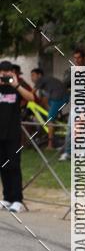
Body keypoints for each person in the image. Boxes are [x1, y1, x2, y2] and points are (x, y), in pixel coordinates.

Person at [0, 60, 35, 212]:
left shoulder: (17, 87)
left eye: (7, 72)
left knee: (14, 166)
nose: (4, 76)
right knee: (3, 166)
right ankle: (7, 197)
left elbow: (31, 98)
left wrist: (15, 84)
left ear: (12, 73)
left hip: (13, 133)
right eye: (2, 73)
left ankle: (17, 199)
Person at [59, 47, 85, 161]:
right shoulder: (71, 70)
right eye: (75, 58)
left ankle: (82, 152)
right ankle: (68, 152)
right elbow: (64, 84)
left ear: (84, 58)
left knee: (83, 130)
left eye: (79, 57)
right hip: (75, 105)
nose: (77, 60)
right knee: (71, 129)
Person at [30, 67, 69, 149]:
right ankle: (54, 120)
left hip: (59, 97)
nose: (32, 78)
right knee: (45, 104)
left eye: (33, 75)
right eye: (31, 76)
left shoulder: (41, 80)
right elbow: (44, 99)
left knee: (49, 119)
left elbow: (31, 93)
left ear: (39, 75)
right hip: (60, 97)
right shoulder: (47, 82)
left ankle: (50, 145)